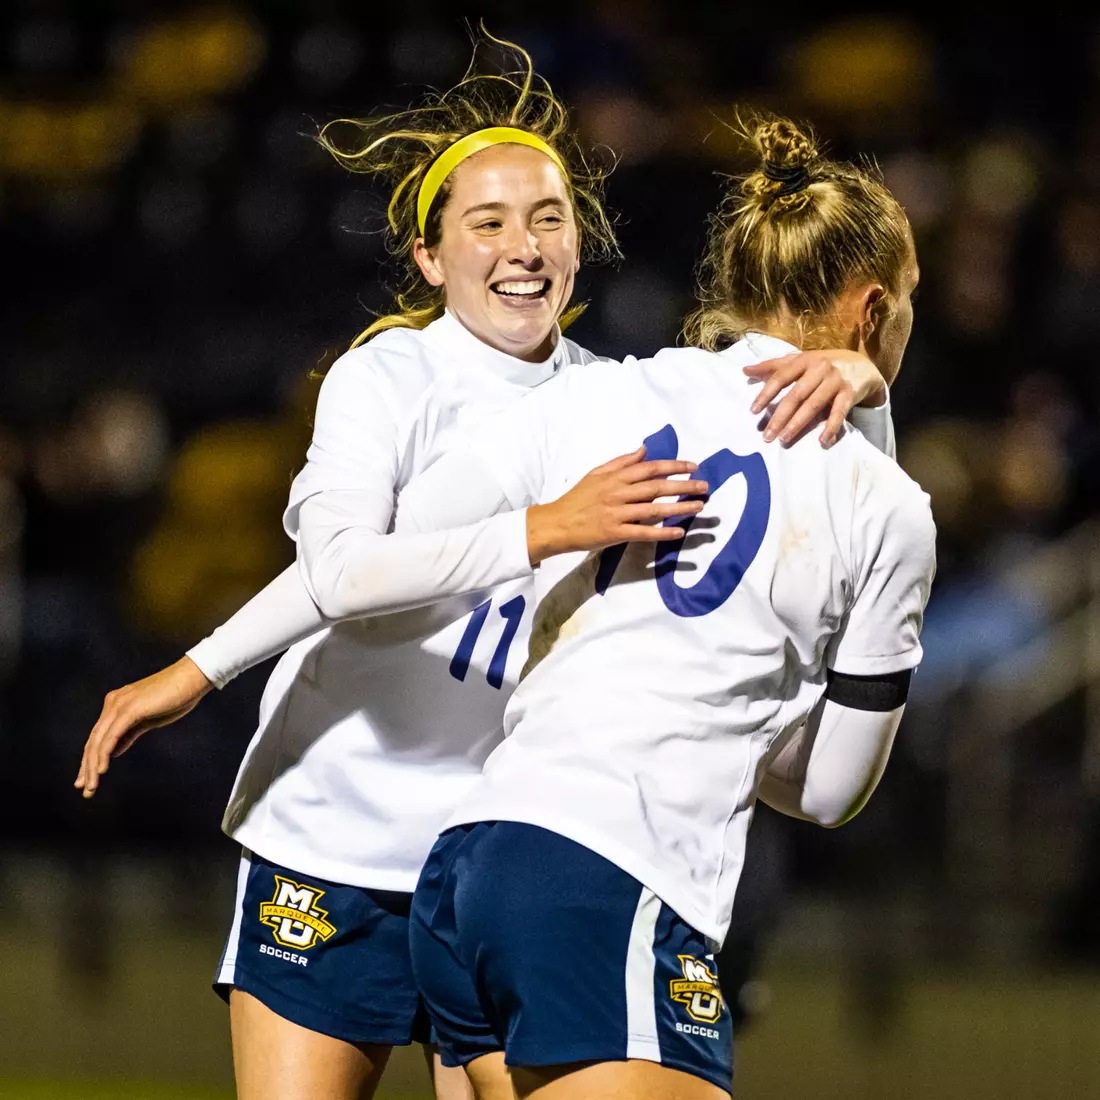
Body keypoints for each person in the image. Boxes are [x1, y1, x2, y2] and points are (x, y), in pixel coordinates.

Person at [73, 40, 895, 1100]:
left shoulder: (617, 397)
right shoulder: (390, 374)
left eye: (548, 218)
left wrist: (864, 388)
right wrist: (201, 669)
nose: (524, 247)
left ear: (579, 242)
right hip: (337, 829)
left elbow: (818, 485)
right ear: (430, 257)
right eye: (489, 222)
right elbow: (342, 570)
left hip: (492, 849)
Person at [390, 114, 935, 1100]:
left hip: (472, 864)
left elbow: (403, 542)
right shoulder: (887, 505)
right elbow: (829, 791)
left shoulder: (604, 395)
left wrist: (556, 554)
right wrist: (730, 707)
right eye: (906, 302)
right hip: (612, 876)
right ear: (869, 311)